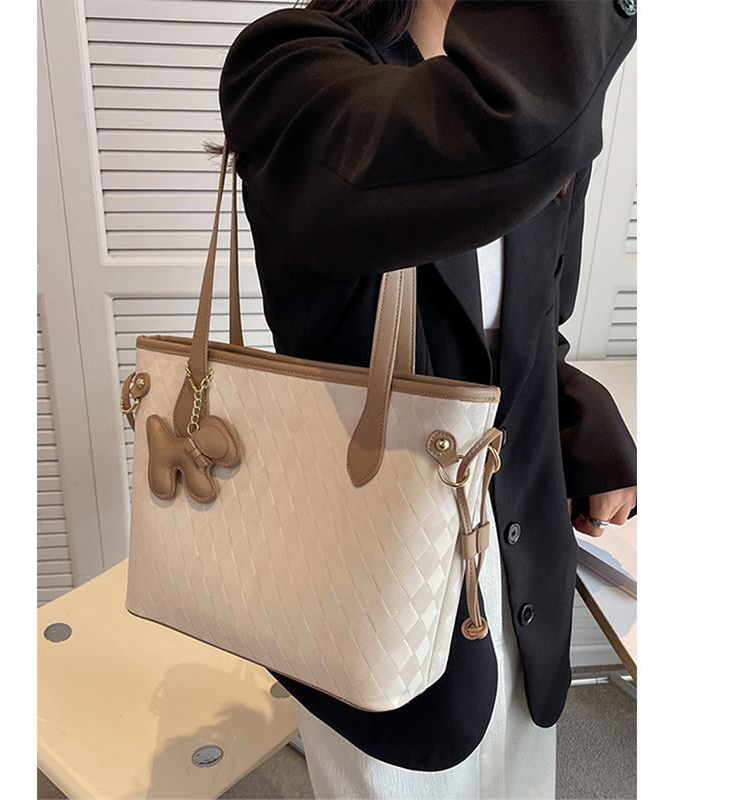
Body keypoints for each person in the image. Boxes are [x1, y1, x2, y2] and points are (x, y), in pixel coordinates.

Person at [216, 0, 638, 796]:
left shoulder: (546, 101)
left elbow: (528, 333)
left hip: (518, 568)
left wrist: (587, 432)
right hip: (369, 585)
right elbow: (480, 134)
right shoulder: (290, 69)